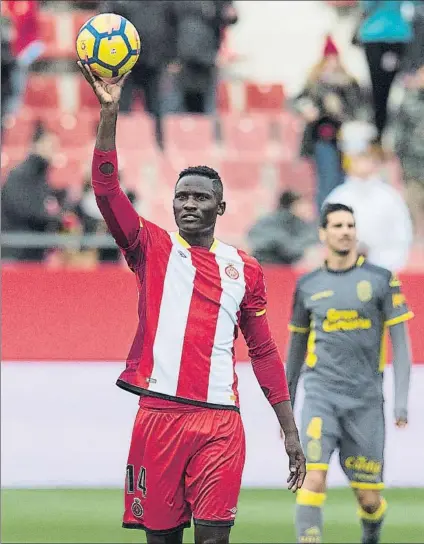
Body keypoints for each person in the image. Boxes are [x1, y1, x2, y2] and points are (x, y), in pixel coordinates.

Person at [77, 61, 306, 544]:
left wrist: (289, 429)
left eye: (201, 197)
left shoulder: (245, 268)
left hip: (220, 420)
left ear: (220, 208)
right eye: (182, 196)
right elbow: (105, 190)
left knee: (214, 539)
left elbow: (263, 352)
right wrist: (109, 112)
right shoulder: (151, 248)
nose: (189, 204)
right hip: (159, 414)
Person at [286, 202, 413, 544]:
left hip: (365, 402)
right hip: (320, 395)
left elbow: (401, 345)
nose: (345, 231)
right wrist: (284, 405)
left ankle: (371, 529)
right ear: (323, 233)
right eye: (337, 225)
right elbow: (295, 350)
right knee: (313, 478)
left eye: (350, 225)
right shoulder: (308, 285)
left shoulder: (380, 280)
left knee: (368, 499)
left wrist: (401, 402)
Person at [325, 124, 413, 272]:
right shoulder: (337, 198)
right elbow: (328, 239)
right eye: (356, 158)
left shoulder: (390, 198)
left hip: (384, 273)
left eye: (366, 157)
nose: (361, 162)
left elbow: (402, 237)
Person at [294, 35, 362, 211]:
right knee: (327, 180)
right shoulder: (315, 84)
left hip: (344, 141)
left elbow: (358, 109)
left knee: (344, 180)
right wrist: (306, 110)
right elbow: (297, 101)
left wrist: (340, 110)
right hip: (322, 139)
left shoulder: (349, 84)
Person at [1, 121, 64, 262]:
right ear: (35, 145)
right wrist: (54, 218)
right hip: (15, 253)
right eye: (50, 146)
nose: (54, 151)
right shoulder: (19, 176)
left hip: (34, 253)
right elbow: (23, 210)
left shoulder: (42, 178)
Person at [356, 0, 413, 142]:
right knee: (378, 88)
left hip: (395, 37)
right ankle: (379, 129)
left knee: (391, 88)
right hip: (376, 37)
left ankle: (386, 130)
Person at [394, 64, 424, 241]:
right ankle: (414, 239)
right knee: (413, 202)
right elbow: (399, 132)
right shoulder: (408, 100)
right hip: (413, 163)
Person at [247, 190, 318, 265]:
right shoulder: (270, 221)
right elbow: (254, 238)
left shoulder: (302, 225)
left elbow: (298, 248)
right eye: (302, 204)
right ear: (293, 205)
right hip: (265, 266)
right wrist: (281, 242)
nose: (307, 208)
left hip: (287, 268)